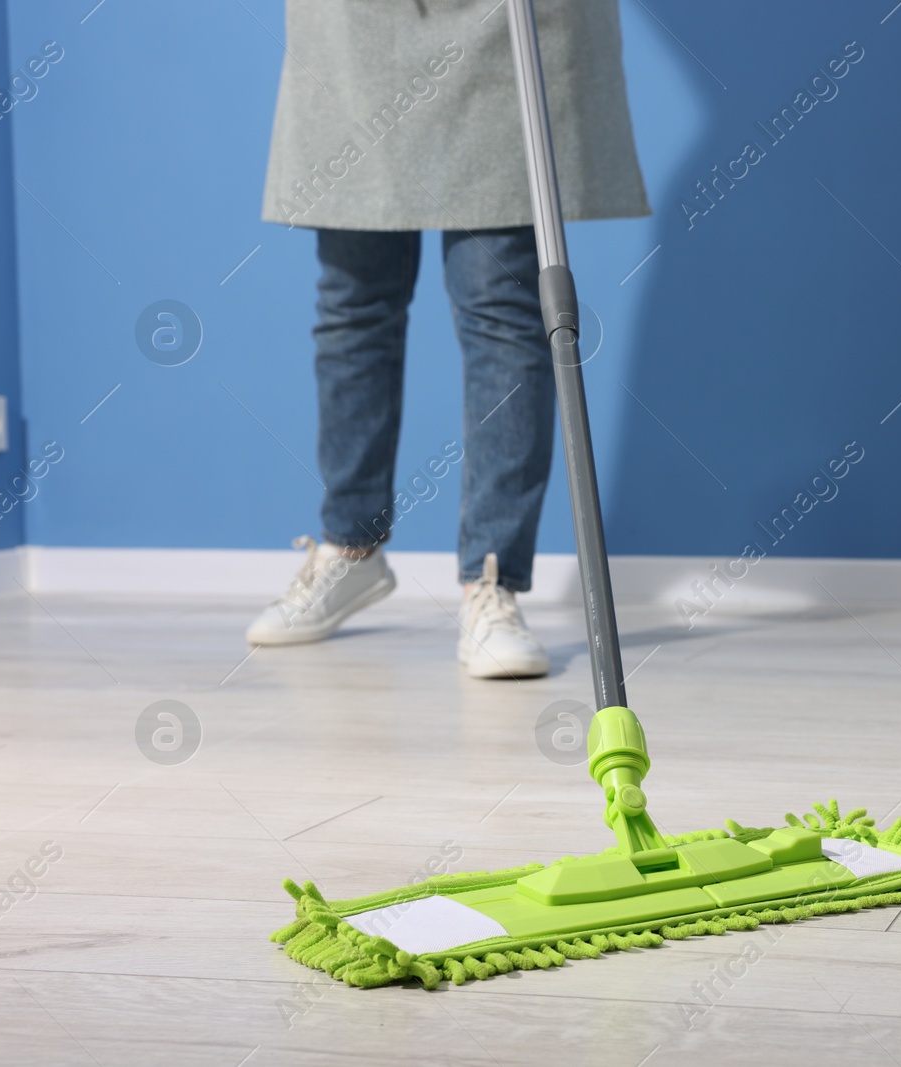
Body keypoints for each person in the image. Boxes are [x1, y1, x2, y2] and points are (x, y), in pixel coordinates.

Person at [243, 0, 648, 678]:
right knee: (354, 302)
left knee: (502, 305)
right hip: (359, 25)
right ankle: (351, 548)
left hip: (503, 21)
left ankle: (492, 581)